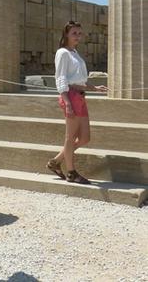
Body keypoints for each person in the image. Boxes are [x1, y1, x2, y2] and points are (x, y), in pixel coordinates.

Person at [46, 21, 107, 184]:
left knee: (85, 138)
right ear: (66, 34)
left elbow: (79, 79)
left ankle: (56, 162)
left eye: (80, 33)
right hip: (70, 97)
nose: (78, 36)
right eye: (74, 33)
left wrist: (95, 87)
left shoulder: (75, 53)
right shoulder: (63, 53)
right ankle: (71, 172)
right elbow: (61, 78)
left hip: (80, 96)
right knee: (70, 137)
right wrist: (66, 102)